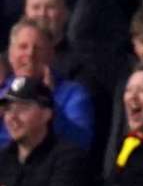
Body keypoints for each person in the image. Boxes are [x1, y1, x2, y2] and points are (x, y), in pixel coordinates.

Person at [0, 19, 94, 151]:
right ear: (10, 54)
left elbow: (81, 143)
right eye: (23, 47)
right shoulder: (2, 92)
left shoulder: (74, 94)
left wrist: (49, 103)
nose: (30, 54)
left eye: (38, 48)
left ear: (51, 55)